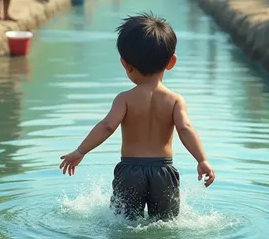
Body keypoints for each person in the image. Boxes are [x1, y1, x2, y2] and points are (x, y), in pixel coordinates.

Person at [59, 13, 215, 221]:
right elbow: (185, 128)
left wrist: (80, 151)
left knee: (124, 222)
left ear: (125, 64)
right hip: (163, 172)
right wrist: (202, 159)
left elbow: (107, 126)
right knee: (165, 225)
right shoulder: (175, 100)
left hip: (130, 172)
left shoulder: (124, 99)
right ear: (171, 62)